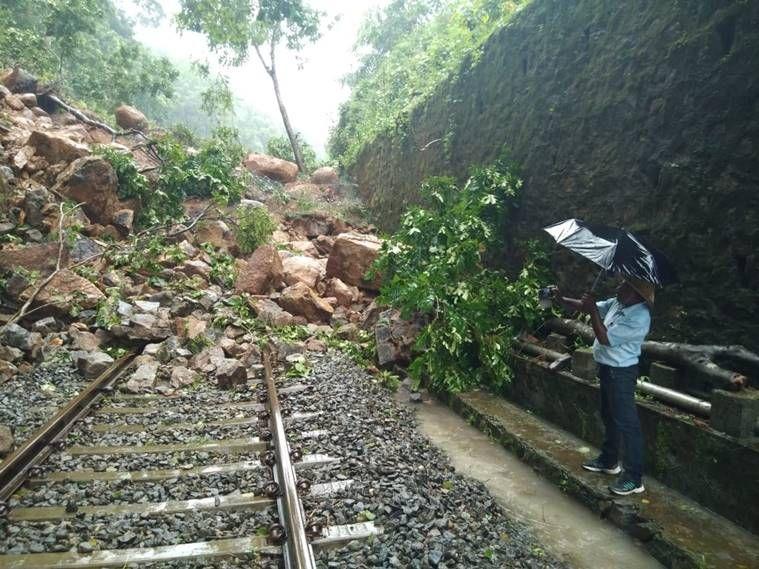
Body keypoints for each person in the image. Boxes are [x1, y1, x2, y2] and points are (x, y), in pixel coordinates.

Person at [556, 278, 654, 496]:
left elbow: (605, 338)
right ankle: (609, 460)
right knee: (609, 415)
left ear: (636, 293)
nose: (618, 287)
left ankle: (634, 478)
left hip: (621, 373)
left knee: (628, 424)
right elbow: (587, 306)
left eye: (624, 285)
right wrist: (562, 299)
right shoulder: (618, 303)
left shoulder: (640, 317)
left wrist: (591, 311)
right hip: (607, 369)